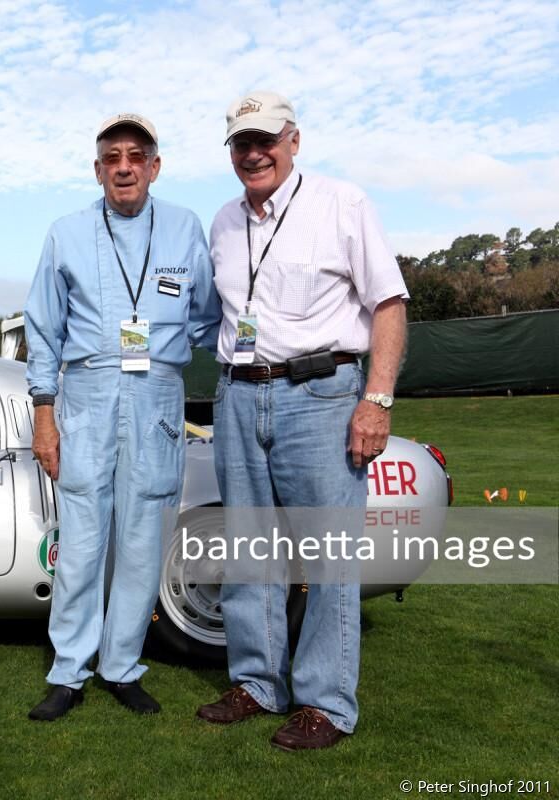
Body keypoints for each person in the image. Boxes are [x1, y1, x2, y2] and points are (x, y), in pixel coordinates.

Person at [194, 91, 408, 751]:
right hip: (238, 394)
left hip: (319, 393)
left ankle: (325, 703)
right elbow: (214, 317)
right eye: (240, 143)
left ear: (293, 140)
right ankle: (259, 683)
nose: (252, 153)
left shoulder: (342, 203)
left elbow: (390, 303)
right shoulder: (225, 222)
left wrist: (376, 399)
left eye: (264, 140)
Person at [24, 113, 220, 721]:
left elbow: (209, 313)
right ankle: (68, 670)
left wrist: (167, 355)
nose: (124, 166)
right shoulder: (66, 233)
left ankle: (122, 665)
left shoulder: (185, 227)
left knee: (141, 540)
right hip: (85, 393)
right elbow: (43, 330)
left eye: (136, 155)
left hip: (157, 395)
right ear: (98, 168)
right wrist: (44, 415)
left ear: (155, 166)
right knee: (81, 542)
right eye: (112, 156)